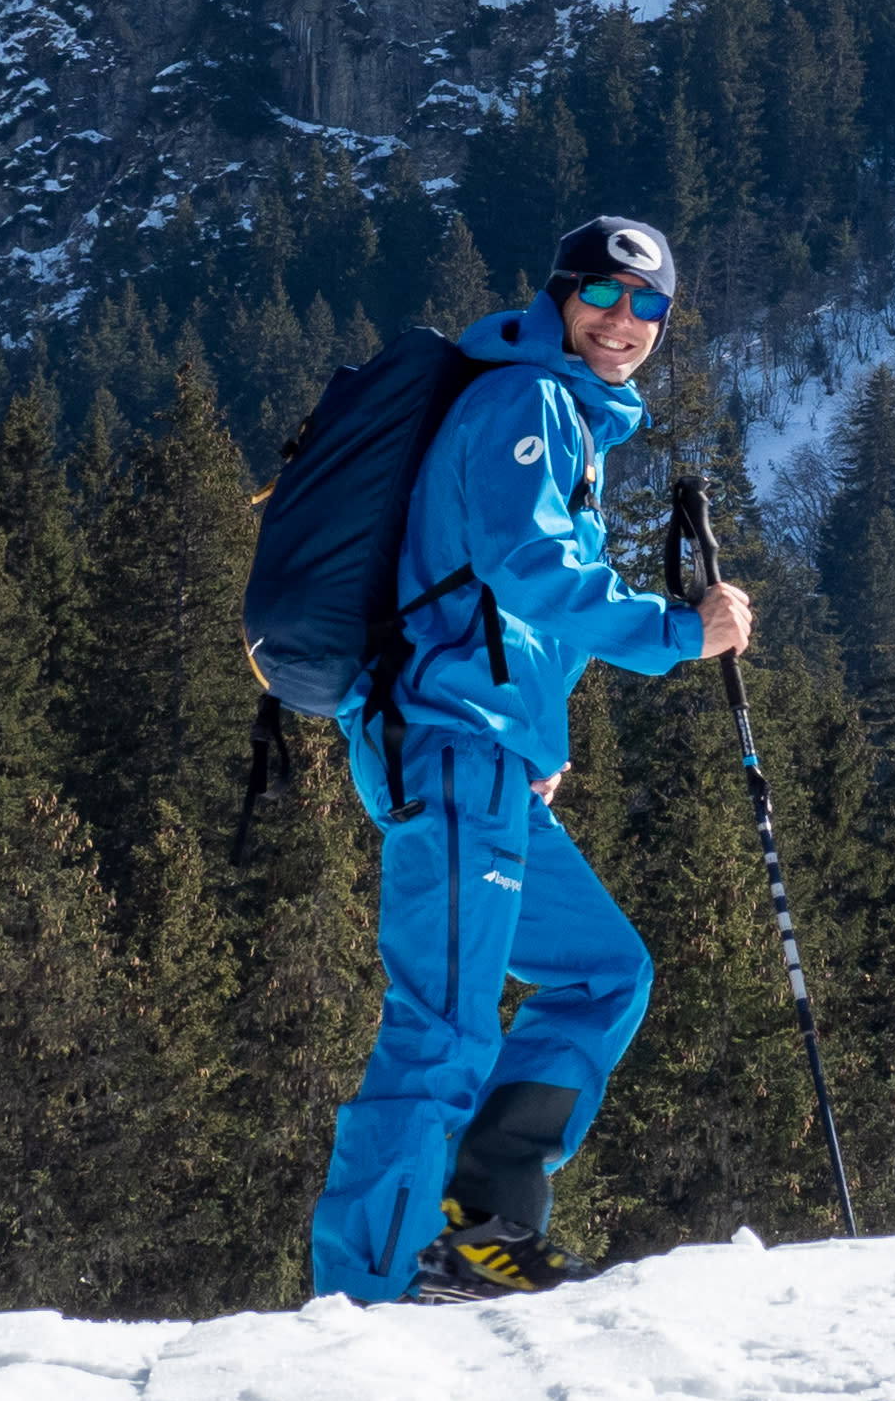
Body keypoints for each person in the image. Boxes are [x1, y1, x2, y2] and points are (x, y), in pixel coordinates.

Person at [310, 214, 757, 1307]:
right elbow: (527, 567)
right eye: (601, 297)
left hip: (491, 755)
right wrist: (674, 633)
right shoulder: (526, 399)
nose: (623, 323)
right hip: (454, 746)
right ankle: (370, 1290)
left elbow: (510, 606)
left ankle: (484, 1216)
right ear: (558, 296)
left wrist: (538, 735)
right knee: (444, 1024)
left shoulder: (562, 411)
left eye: (648, 307)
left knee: (605, 971)